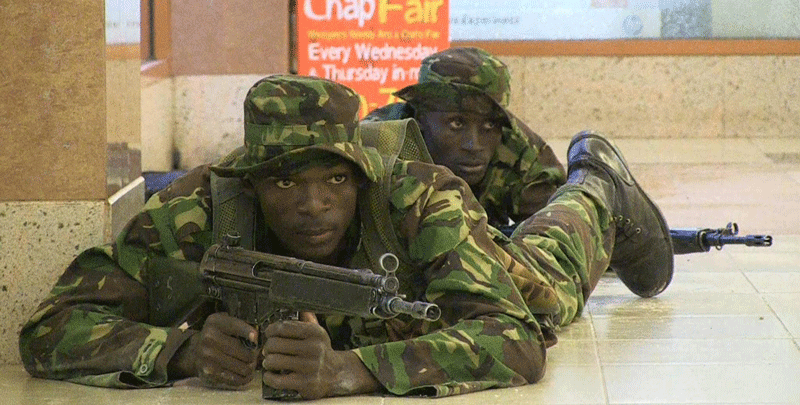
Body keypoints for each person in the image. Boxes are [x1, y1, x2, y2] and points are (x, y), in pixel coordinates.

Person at [19, 74, 673, 400]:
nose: (313, 205)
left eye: (335, 177)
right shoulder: (195, 210)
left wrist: (348, 369)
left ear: (361, 172)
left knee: (548, 292)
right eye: (284, 184)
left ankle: (596, 185)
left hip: (438, 276)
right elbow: (49, 328)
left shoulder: (421, 195)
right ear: (249, 182)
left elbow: (518, 343)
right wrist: (181, 351)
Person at [364, 46, 566, 230]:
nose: (474, 145)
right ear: (421, 119)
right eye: (457, 124)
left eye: (489, 124)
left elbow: (560, 233)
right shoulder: (376, 146)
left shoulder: (520, 151)